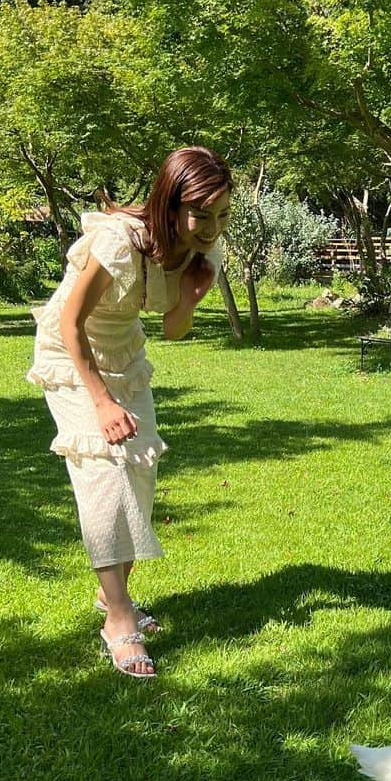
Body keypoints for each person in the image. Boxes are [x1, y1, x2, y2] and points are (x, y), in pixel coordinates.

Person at [27, 146, 233, 678]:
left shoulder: (199, 250)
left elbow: (171, 328)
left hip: (127, 357)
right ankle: (119, 619)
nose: (211, 227)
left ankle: (109, 591)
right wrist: (100, 402)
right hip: (72, 358)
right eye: (201, 214)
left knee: (140, 474)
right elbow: (71, 324)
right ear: (170, 204)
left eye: (222, 214)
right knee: (103, 471)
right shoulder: (117, 242)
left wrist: (189, 301)